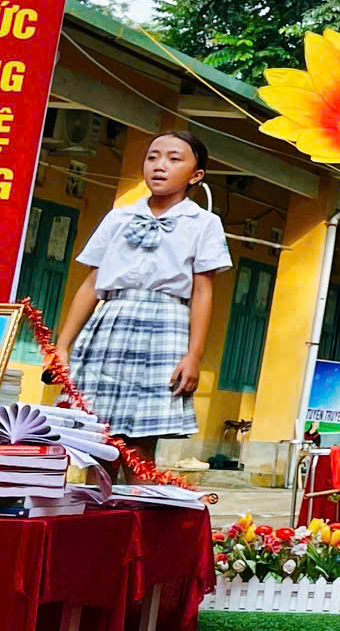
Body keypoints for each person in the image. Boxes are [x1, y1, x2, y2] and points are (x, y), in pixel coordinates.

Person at [54, 131, 233, 457]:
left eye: (174, 159)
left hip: (165, 329)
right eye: (153, 157)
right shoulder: (119, 216)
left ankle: (138, 492)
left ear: (195, 176)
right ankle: (101, 490)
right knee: (97, 438)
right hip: (110, 324)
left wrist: (193, 356)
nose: (159, 165)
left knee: (139, 445)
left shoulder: (203, 223)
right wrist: (62, 346)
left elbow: (202, 293)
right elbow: (92, 283)